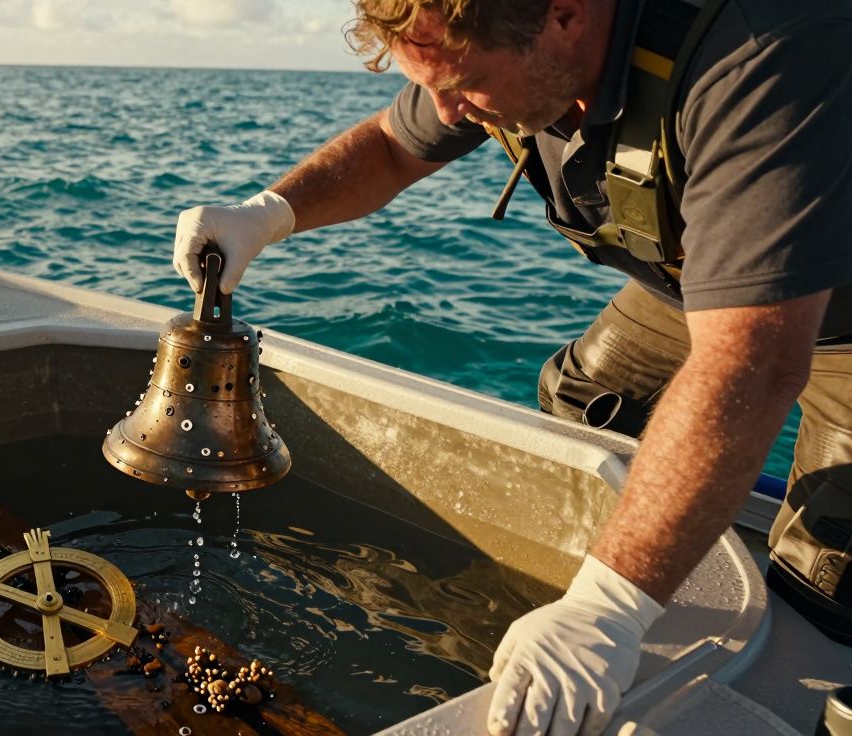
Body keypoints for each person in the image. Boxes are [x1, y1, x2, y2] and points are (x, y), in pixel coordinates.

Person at [171, 0, 852, 733]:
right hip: (700, 286)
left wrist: (608, 608)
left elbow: (750, 362)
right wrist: (268, 213)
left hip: (825, 324)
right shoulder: (499, 50)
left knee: (823, 592)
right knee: (581, 397)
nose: (448, 110)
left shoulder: (761, 51)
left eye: (463, 87)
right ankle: (644, 563)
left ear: (566, 15)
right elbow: (395, 147)